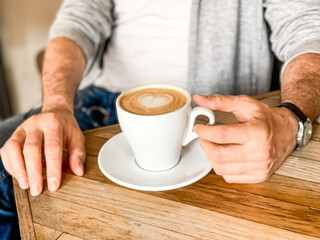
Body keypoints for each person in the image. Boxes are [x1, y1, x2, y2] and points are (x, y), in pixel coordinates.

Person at [0, 0, 320, 238]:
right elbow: (78, 21)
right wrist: (56, 105)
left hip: (215, 118)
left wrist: (292, 119)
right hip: (99, 105)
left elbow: (306, 29)